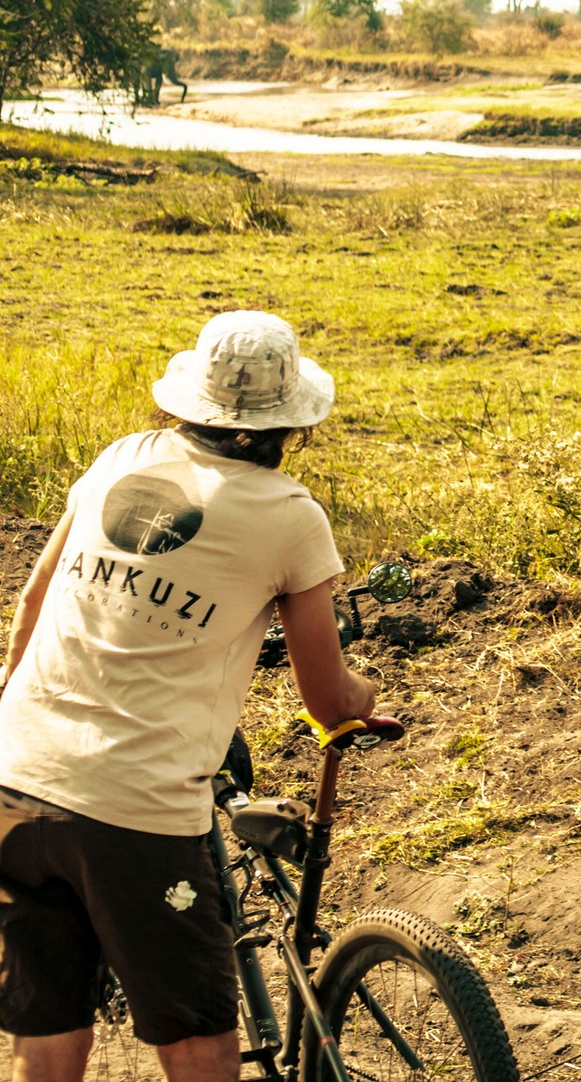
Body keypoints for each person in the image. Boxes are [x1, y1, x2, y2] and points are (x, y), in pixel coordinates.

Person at [0, 311, 378, 1082]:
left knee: (48, 1023)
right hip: (132, 809)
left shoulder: (119, 460)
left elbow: (31, 609)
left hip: (15, 777)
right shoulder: (288, 517)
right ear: (290, 422)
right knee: (199, 1037)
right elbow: (328, 699)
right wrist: (364, 694)